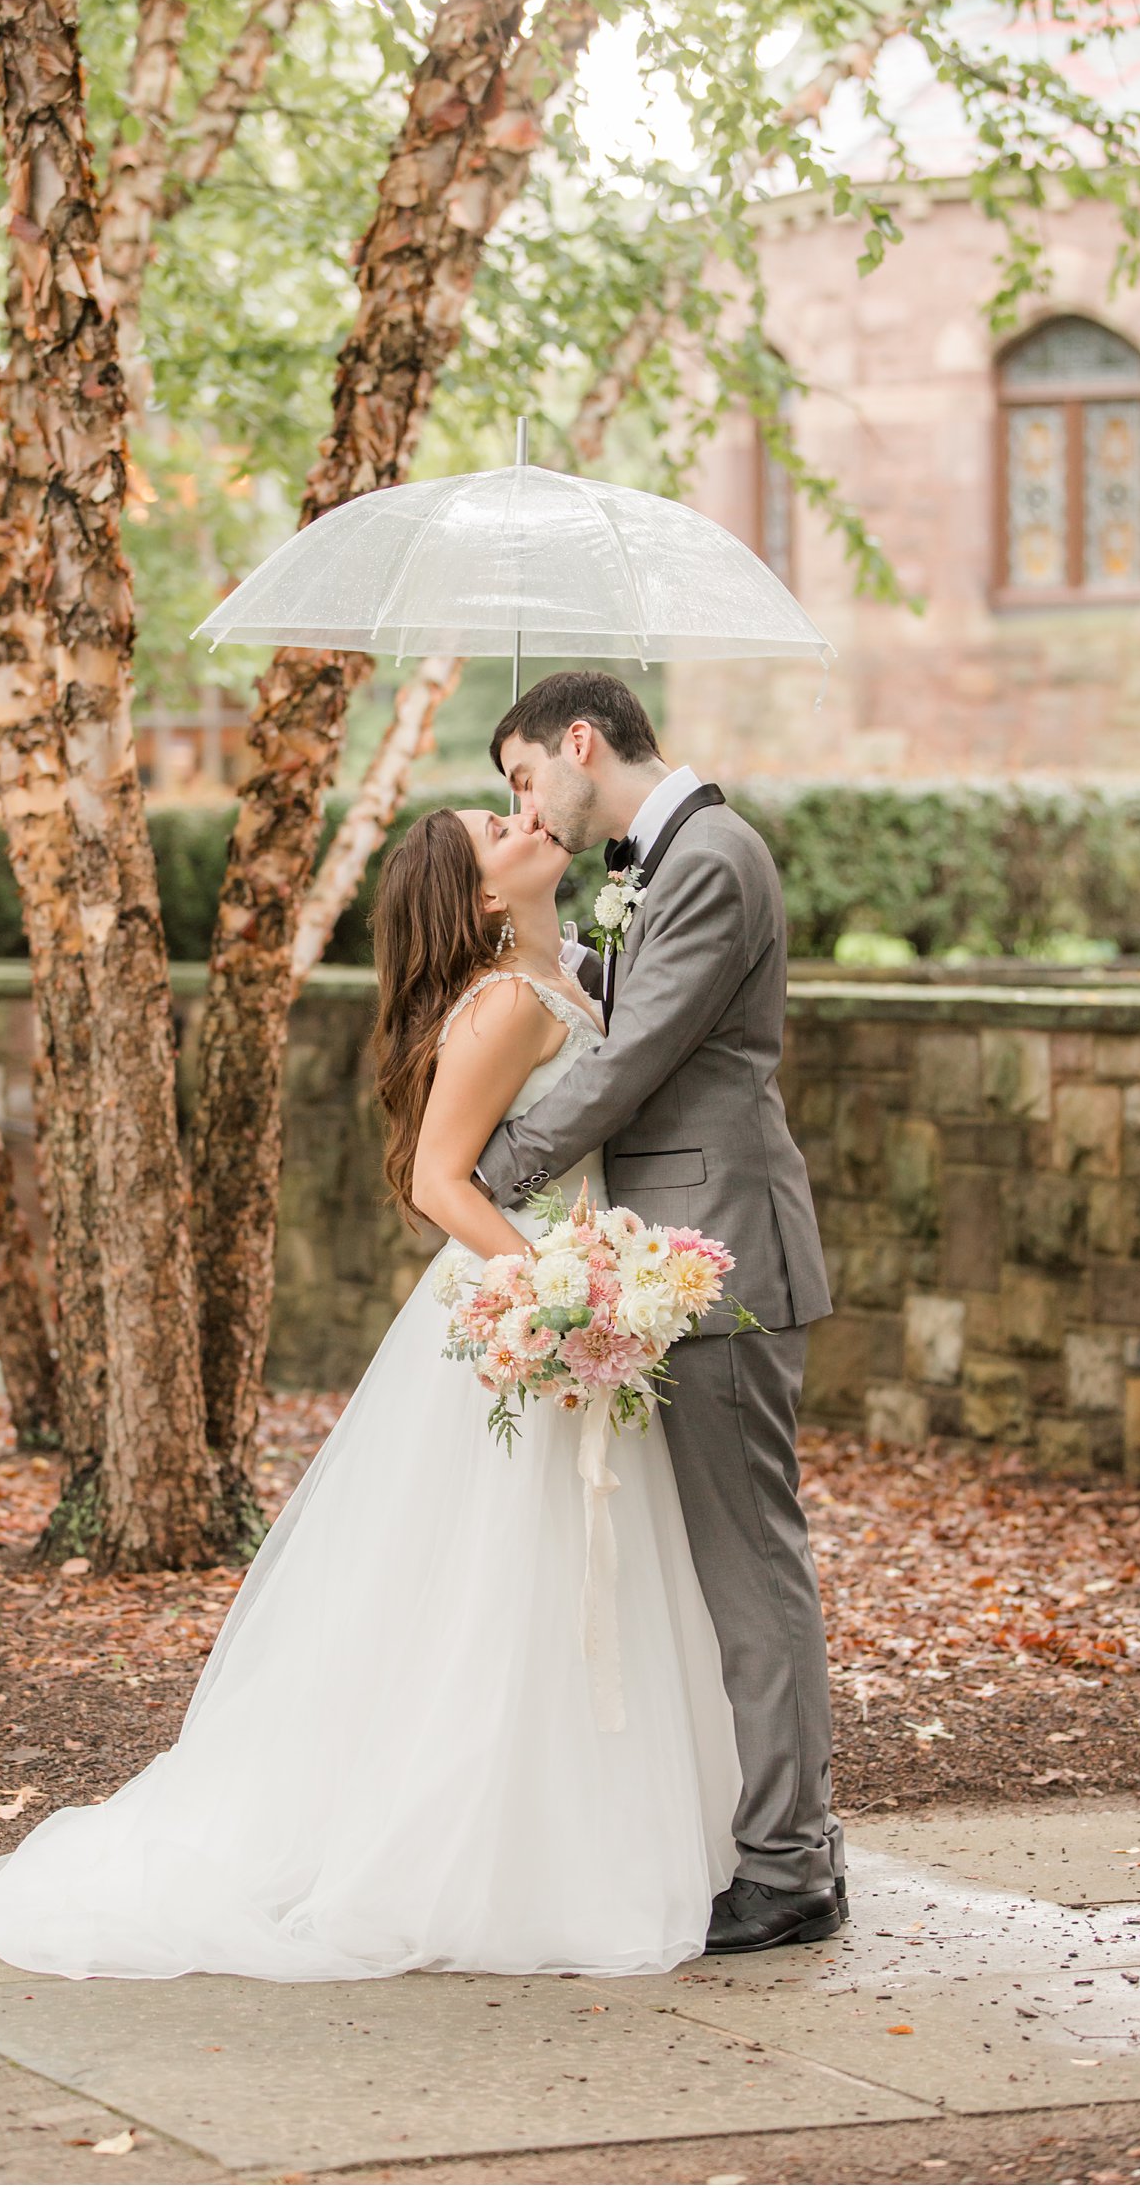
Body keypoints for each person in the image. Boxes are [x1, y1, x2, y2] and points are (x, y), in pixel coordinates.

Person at [0, 801, 754, 1982]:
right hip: (530, 1315)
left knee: (585, 1574)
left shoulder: (565, 968)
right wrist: (554, 1288)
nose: (527, 822)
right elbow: (436, 1182)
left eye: (517, 808)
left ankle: (614, 1834)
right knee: (504, 1580)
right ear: (472, 899)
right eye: (497, 828)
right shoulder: (507, 1003)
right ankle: (479, 1854)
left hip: (581, 1307)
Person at [480, 670, 845, 1955]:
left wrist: (499, 1164)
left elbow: (639, 1058)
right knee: (720, 1566)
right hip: (676, 1255)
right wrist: (553, 948)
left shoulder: (711, 855)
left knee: (749, 1567)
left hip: (722, 1261)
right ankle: (785, 1842)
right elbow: (632, 1009)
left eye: (525, 778)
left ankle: (788, 1866)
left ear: (579, 741)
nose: (527, 807)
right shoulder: (664, 861)